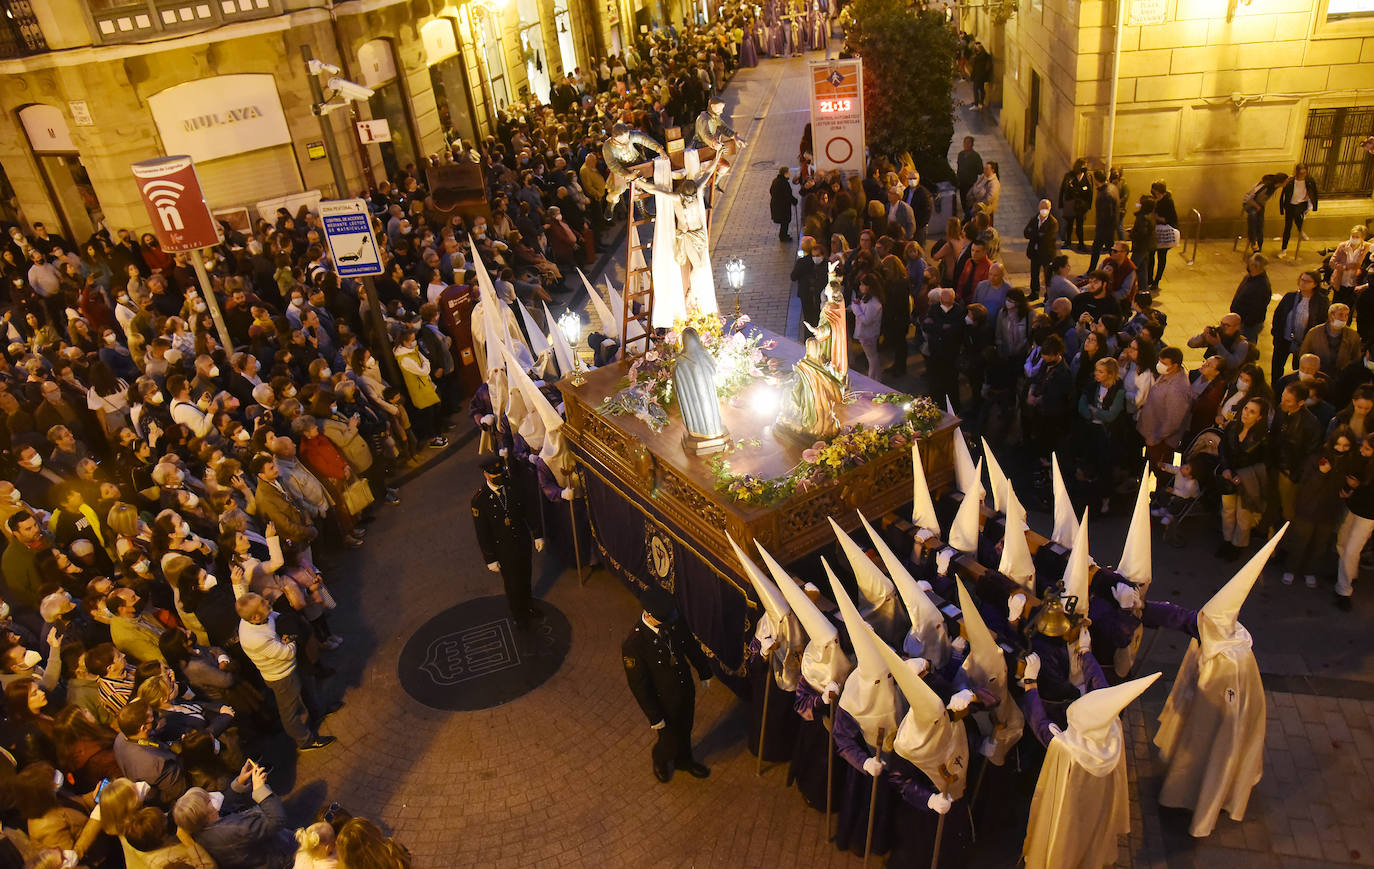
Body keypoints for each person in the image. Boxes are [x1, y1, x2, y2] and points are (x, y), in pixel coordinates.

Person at [1155, 534, 1281, 838]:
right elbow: (1182, 619)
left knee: (1210, 762)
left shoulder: (1232, 659)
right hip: (1198, 717)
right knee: (1191, 758)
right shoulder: (1215, 635)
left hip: (1217, 726)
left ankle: (1203, 804)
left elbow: (1231, 717)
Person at [621, 586, 713, 783]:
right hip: (663, 700)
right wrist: (655, 718)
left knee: (685, 728)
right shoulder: (634, 644)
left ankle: (684, 761)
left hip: (684, 687)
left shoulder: (672, 619)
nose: (669, 622)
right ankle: (660, 760)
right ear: (649, 615)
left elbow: (689, 645)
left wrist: (704, 671)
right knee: (668, 740)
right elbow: (639, 685)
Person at [235, 592, 335, 753]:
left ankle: (318, 713)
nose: (268, 603)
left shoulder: (260, 617)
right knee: (289, 712)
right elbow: (286, 654)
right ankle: (305, 740)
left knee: (308, 689)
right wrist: (290, 640)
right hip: (282, 677)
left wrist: (286, 639)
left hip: (291, 667)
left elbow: (276, 617)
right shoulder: (255, 638)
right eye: (264, 604)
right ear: (254, 617)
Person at [471, 455, 545, 628]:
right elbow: (482, 532)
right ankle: (519, 615)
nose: (499, 477)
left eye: (500, 472)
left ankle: (528, 606)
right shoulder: (480, 500)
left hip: (521, 540)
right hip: (502, 548)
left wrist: (537, 534)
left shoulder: (512, 486)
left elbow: (528, 510)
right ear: (486, 475)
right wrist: (490, 558)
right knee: (512, 582)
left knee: (525, 576)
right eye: (494, 475)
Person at [1216, 397, 1270, 560]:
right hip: (1229, 477)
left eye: (1252, 412)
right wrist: (1225, 469)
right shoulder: (1232, 427)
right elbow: (1223, 448)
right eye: (1246, 409)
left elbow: (1265, 463)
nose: (1246, 414)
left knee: (1243, 515)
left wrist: (1243, 475)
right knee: (1228, 511)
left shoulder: (1263, 438)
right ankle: (1227, 540)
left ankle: (1238, 545)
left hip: (1247, 482)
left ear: (1259, 417)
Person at [1270, 270, 1328, 386]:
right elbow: (1278, 316)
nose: (1303, 283)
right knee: (1277, 368)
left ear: (1315, 284)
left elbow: (1322, 322)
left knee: (1299, 370)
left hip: (1304, 344)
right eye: (1302, 280)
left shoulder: (1321, 301)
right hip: (1284, 340)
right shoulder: (1290, 297)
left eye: (1307, 281)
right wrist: (1276, 334)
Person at [1137, 346, 1193, 466]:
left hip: (1161, 441)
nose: (1160, 365)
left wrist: (1156, 437)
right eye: (1160, 361)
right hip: (1152, 433)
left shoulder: (1178, 389)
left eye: (1164, 363)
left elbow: (1174, 420)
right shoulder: (1168, 374)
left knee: (1159, 469)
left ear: (1175, 365)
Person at [1300, 301, 1361, 377]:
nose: (1344, 318)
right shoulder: (1314, 333)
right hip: (1318, 374)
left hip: (1342, 375)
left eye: (1346, 315)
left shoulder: (1353, 335)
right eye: (1340, 315)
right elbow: (1304, 354)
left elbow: (1356, 358)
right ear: (1331, 315)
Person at [1229, 253, 1272, 343]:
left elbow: (1256, 309)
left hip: (1248, 325)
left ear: (1254, 266)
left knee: (1246, 347)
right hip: (1242, 321)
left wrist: (1243, 322)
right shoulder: (1250, 277)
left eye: (1250, 263)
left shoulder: (1261, 286)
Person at [1278, 163, 1318, 257]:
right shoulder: (1291, 181)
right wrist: (1282, 207)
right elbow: (1284, 194)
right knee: (1287, 228)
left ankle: (1300, 230)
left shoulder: (1310, 181)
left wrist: (1312, 206)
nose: (1303, 172)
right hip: (1290, 204)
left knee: (1297, 213)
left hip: (1302, 203)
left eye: (1304, 169)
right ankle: (1284, 249)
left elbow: (1314, 193)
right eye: (1301, 170)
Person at [1240, 172, 1287, 253]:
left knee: (1260, 225)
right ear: (1281, 182)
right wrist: (1257, 206)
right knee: (1253, 218)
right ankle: (1253, 241)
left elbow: (1290, 178)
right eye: (1285, 181)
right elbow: (1248, 198)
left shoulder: (1275, 186)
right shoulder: (1265, 186)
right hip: (1250, 204)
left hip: (1260, 205)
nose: (1287, 183)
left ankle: (1259, 247)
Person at [1023, 198, 1058, 300]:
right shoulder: (1034, 220)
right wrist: (1038, 235)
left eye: (1046, 207)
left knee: (1048, 277)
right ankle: (1034, 293)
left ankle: (1048, 296)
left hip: (1047, 254)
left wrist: (1034, 234)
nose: (1044, 209)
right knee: (1034, 274)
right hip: (1035, 252)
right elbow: (1026, 233)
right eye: (1042, 207)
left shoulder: (1053, 222)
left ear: (1050, 208)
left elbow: (1048, 238)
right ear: (1039, 208)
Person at [955, 136, 983, 209]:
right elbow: (959, 168)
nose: (966, 144)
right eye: (965, 142)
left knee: (970, 203)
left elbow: (980, 170)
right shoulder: (961, 154)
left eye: (968, 143)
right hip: (962, 183)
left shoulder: (976, 156)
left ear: (972, 144)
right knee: (963, 201)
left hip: (970, 184)